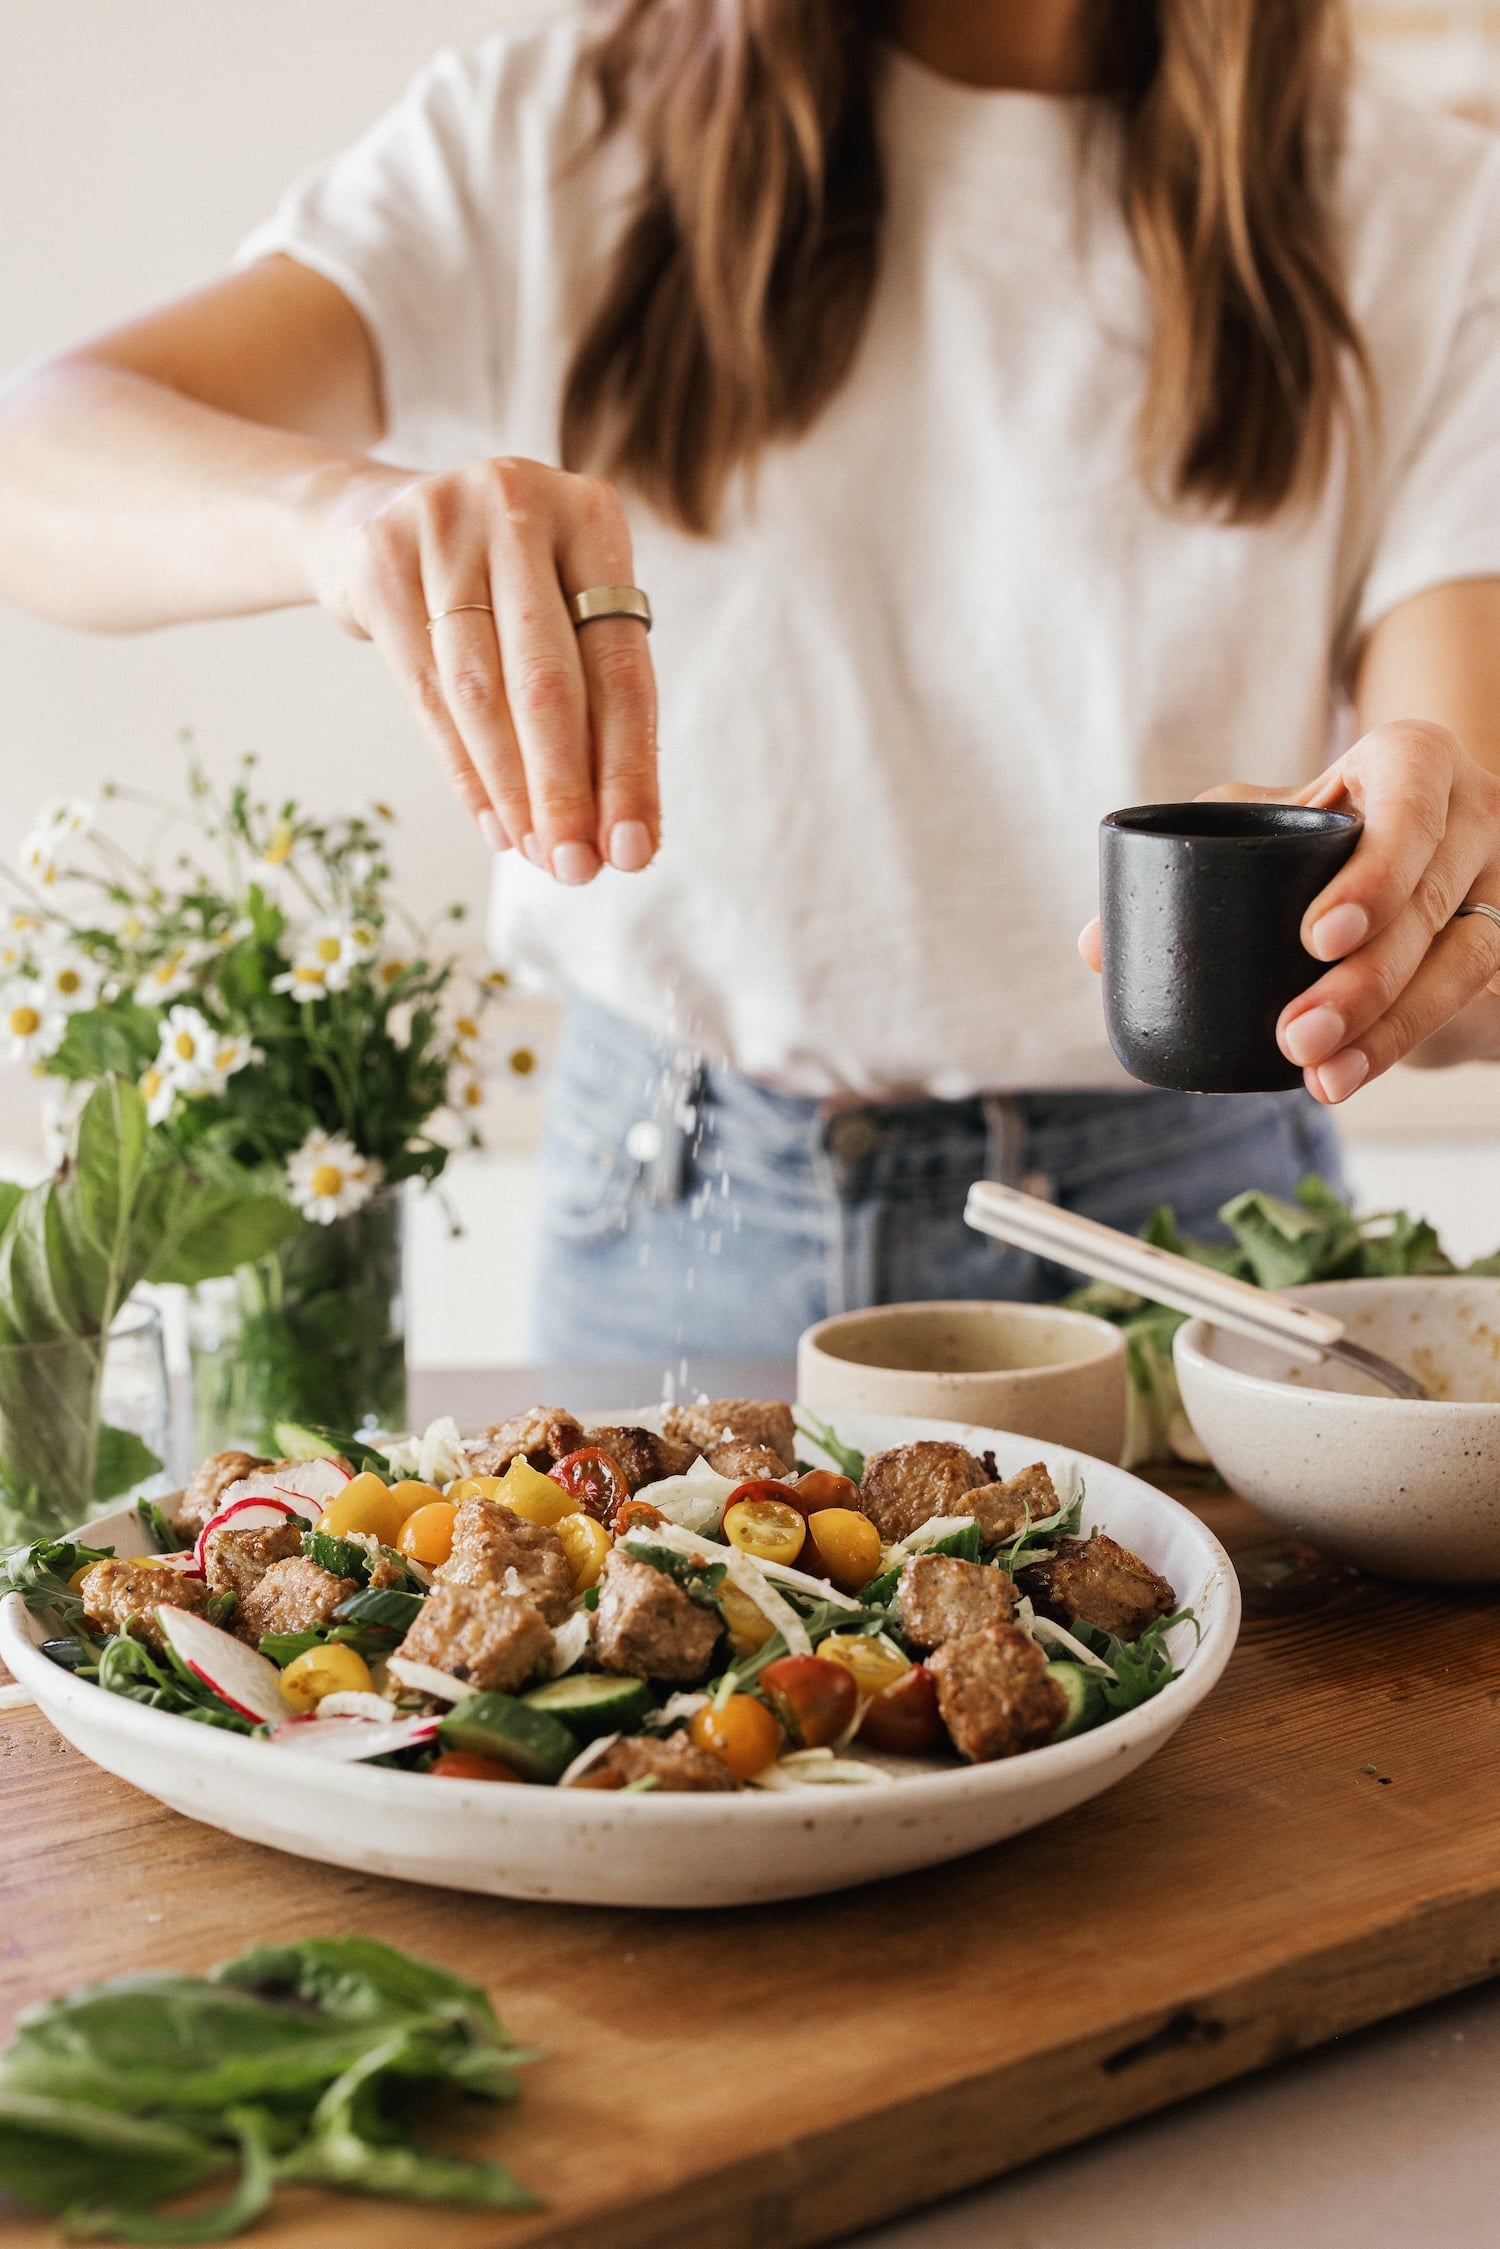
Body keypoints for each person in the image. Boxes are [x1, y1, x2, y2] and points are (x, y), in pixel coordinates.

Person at [1, 0, 1498, 1361]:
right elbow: (38, 455)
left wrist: (1418, 897)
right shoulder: (553, 133)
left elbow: (1453, 844)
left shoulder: (1423, 203)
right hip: (672, 1201)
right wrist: (338, 523)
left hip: (1179, 1234)